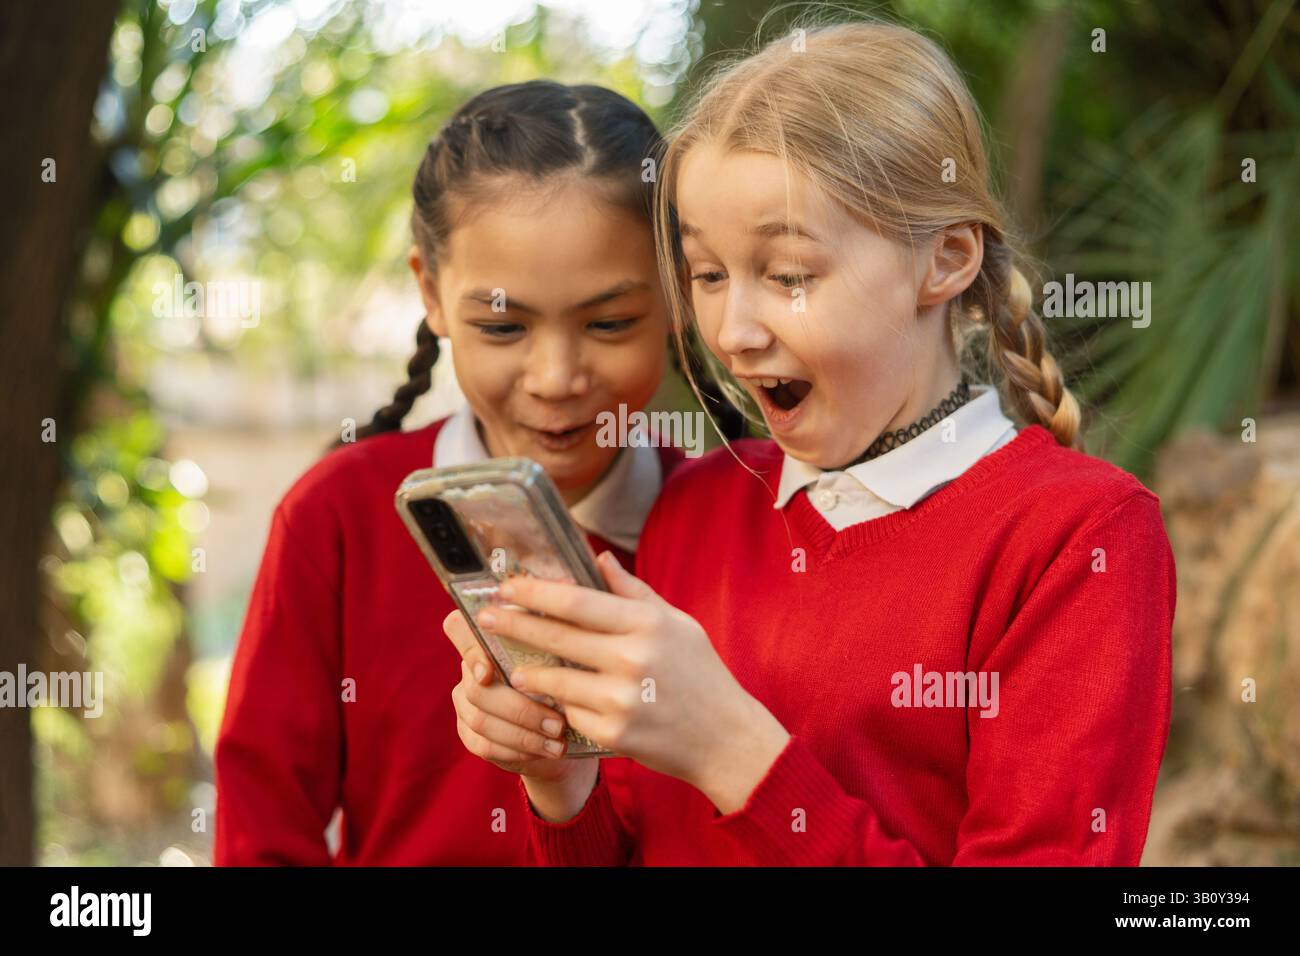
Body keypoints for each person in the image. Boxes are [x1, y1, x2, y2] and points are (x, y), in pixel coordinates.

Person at [443, 22, 1177, 866]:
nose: (732, 330)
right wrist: (561, 787)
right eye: (708, 275)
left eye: (790, 275)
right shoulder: (695, 507)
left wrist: (734, 754)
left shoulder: (1080, 539)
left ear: (944, 260)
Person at [214, 80, 736, 864]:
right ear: (430, 291)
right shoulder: (339, 517)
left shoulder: (739, 526)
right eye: (501, 326)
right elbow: (262, 830)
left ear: (675, 296)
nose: (556, 377)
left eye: (610, 322)